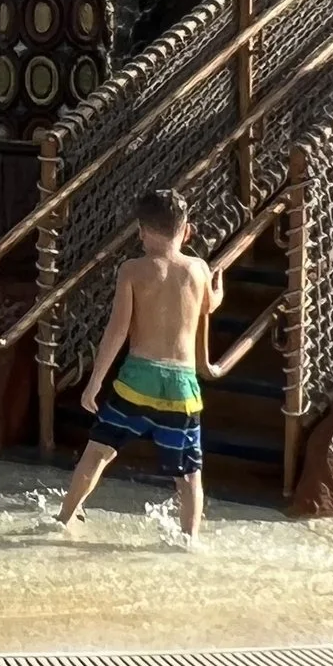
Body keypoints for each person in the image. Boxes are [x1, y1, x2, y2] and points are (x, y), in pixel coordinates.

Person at [60, 187, 217, 539]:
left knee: (98, 450)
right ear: (187, 231)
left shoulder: (132, 270)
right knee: (189, 473)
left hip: (137, 379)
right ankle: (190, 540)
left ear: (141, 232)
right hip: (181, 386)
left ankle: (64, 518)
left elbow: (117, 330)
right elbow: (208, 306)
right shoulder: (199, 269)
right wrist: (218, 291)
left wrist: (95, 381)